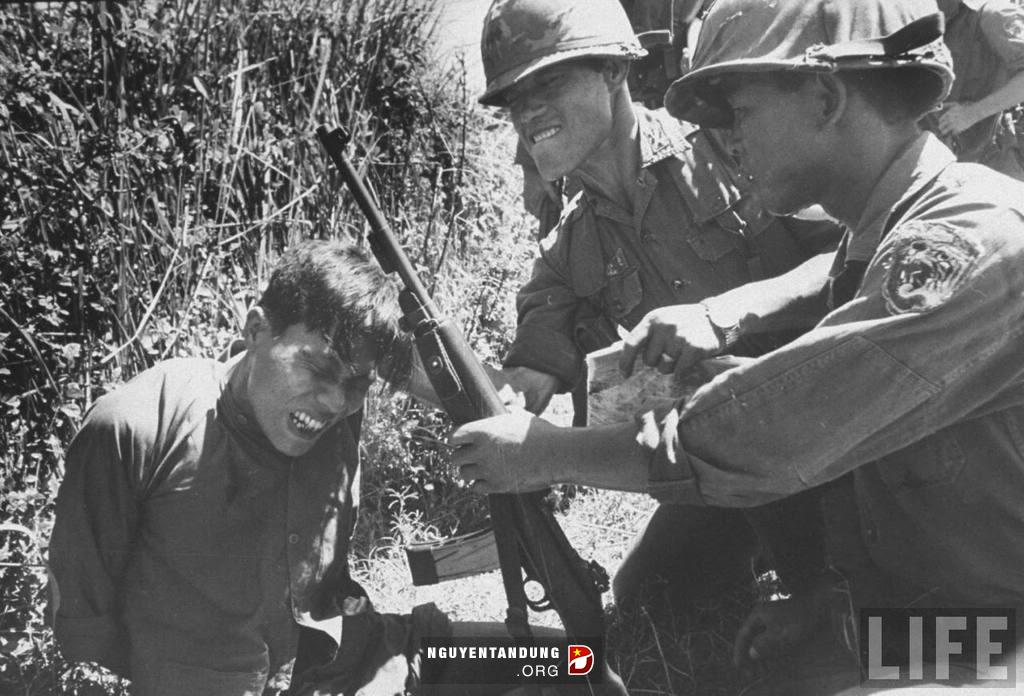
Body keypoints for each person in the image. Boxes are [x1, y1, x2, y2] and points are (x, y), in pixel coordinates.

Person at [455, 0, 1024, 692]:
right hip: (944, 610)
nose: (729, 134)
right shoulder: (881, 238)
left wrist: (549, 453)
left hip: (1001, 630)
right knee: (766, 665)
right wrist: (834, 614)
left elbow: (773, 432)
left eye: (742, 111)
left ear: (826, 98)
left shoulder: (961, 249)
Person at [480, 0, 840, 609]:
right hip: (728, 455)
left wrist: (725, 315)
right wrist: (405, 360)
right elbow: (524, 382)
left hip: (843, 414)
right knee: (649, 596)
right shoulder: (565, 250)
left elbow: (858, 254)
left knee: (841, 603)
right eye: (513, 98)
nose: (527, 110)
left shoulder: (728, 141)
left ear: (614, 71)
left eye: (548, 82)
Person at [46, 241, 528, 696]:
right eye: (318, 369)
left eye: (357, 383)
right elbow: (85, 630)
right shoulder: (138, 428)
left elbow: (464, 387)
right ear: (256, 330)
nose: (336, 402)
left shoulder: (332, 405)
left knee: (558, 662)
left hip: (369, 664)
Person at [920, 0, 1024, 180]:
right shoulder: (922, 12)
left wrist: (972, 113)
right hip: (936, 158)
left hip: (988, 160)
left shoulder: (993, 14)